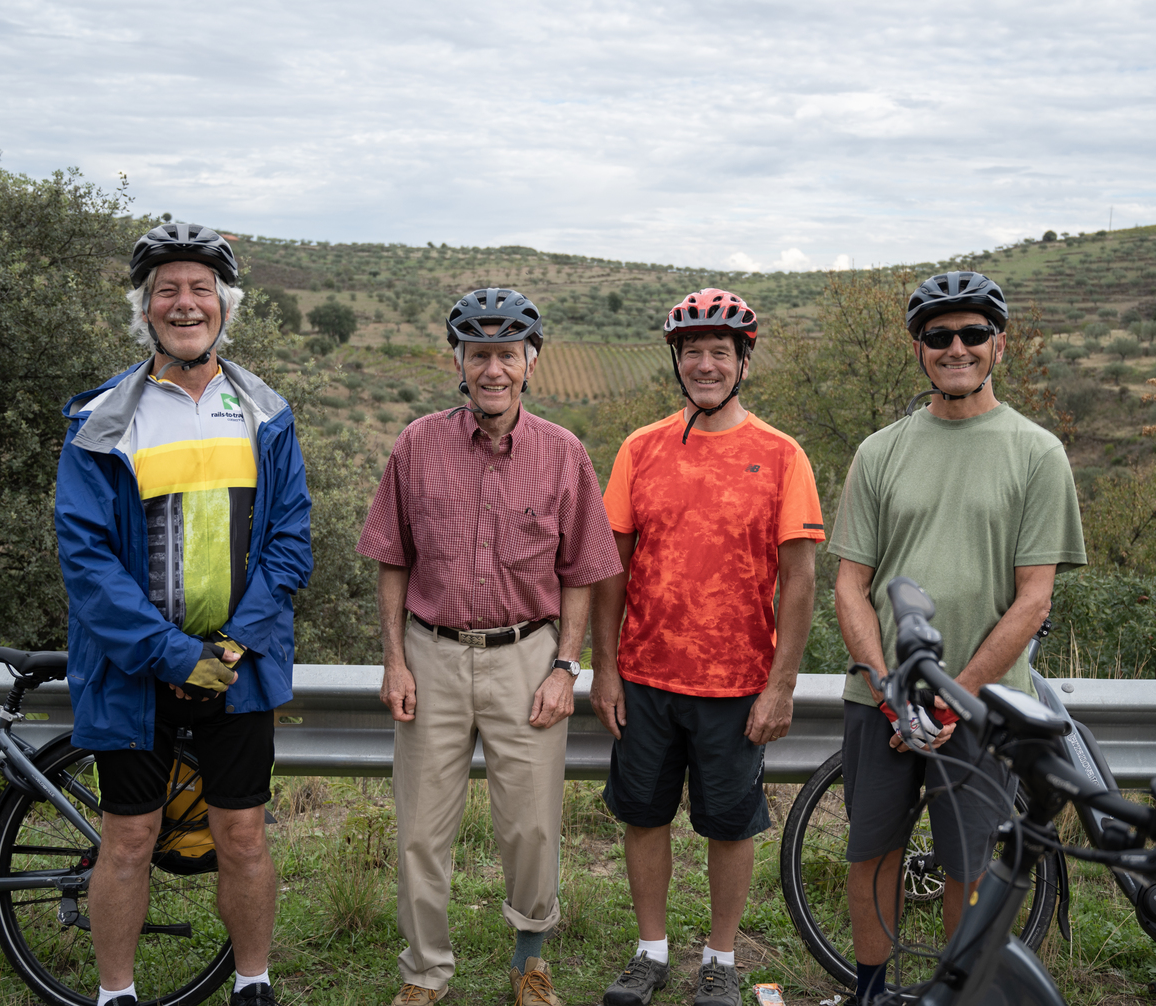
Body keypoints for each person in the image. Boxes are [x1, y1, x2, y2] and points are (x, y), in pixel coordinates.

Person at [55, 223, 313, 1006]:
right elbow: (87, 560)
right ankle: (116, 994)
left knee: (242, 834)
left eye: (201, 287)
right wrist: (175, 656)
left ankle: (254, 983)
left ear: (225, 306)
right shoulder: (104, 419)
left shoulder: (264, 413)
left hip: (240, 666)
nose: (185, 302)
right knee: (128, 838)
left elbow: (290, 543)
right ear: (145, 308)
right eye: (166, 288)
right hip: (132, 672)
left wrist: (230, 649)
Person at [356, 288, 623, 1006]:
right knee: (420, 832)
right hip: (431, 653)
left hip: (527, 657)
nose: (494, 369)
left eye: (508, 355)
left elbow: (581, 574)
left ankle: (529, 963)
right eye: (480, 355)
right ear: (460, 363)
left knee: (532, 827)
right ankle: (424, 973)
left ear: (530, 363)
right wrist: (394, 659)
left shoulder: (564, 454)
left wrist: (567, 667)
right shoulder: (416, 444)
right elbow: (392, 559)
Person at [828, 271, 1086, 1005]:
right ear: (919, 349)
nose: (957, 348)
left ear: (998, 343)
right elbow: (851, 585)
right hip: (878, 698)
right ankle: (871, 994)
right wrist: (887, 691)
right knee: (871, 852)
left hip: (984, 707)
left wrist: (951, 700)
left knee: (968, 866)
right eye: (939, 337)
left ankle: (959, 996)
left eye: (973, 334)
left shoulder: (1037, 453)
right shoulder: (880, 451)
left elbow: (1034, 598)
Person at [591, 289, 825, 1006]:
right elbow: (611, 570)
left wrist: (780, 685)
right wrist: (605, 670)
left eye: (719, 351)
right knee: (643, 816)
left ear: (743, 361)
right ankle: (649, 952)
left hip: (736, 685)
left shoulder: (782, 455)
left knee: (730, 825)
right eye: (692, 351)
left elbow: (801, 580)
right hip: (647, 677)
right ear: (676, 360)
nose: (704, 363)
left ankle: (720, 961)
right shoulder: (641, 448)